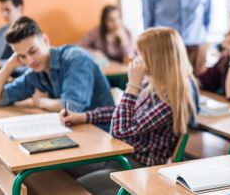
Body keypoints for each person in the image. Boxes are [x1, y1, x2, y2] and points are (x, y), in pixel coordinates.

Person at [61, 27, 199, 195]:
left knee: (71, 188)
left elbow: (119, 130)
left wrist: (132, 85)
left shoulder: (168, 103)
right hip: (124, 157)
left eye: (138, 54)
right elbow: (122, 113)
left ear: (156, 59)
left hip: (139, 171)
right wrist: (84, 116)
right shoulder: (152, 87)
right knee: (63, 168)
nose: (132, 59)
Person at [0, 17, 114, 131]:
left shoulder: (76, 58)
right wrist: (8, 65)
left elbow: (71, 107)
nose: (29, 61)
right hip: (73, 131)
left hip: (103, 136)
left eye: (33, 51)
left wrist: (41, 102)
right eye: (22, 56)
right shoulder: (34, 72)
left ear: (45, 40)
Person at [0, 0, 23, 67]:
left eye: (7, 10)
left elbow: (25, 64)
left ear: (19, 8)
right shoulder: (0, 32)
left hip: (17, 75)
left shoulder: (29, 31)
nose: (4, 14)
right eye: (2, 10)